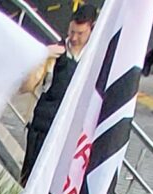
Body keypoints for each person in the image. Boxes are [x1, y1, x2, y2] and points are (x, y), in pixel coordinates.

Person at [19, 6, 96, 178]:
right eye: (71, 32)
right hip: (42, 126)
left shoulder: (94, 61)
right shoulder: (55, 53)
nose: (74, 38)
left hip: (70, 132)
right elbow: (25, 87)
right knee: (30, 176)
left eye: (80, 33)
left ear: (92, 30)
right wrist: (42, 56)